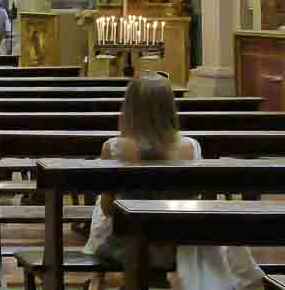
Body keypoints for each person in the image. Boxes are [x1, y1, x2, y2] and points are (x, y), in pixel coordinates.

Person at [81, 76, 261, 290]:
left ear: (129, 107)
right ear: (169, 107)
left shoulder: (113, 147)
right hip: (177, 245)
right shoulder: (191, 147)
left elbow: (107, 209)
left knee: (102, 202)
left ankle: (100, 277)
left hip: (125, 246)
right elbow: (193, 198)